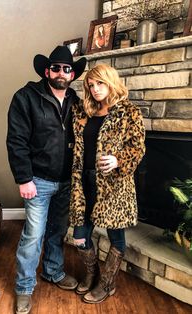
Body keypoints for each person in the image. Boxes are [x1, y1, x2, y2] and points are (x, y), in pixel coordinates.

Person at [6, 45, 86, 314]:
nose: (61, 72)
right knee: (33, 236)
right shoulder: (26, 97)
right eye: (55, 68)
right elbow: (16, 141)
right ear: (46, 71)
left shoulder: (76, 101)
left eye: (66, 69)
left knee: (57, 232)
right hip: (37, 181)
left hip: (66, 182)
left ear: (72, 74)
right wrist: (24, 178)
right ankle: (24, 288)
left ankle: (53, 272)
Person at [69, 64, 145, 304]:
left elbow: (138, 147)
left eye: (99, 83)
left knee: (116, 236)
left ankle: (107, 284)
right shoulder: (84, 112)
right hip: (85, 182)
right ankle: (94, 274)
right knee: (80, 236)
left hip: (114, 185)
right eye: (90, 85)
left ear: (110, 81)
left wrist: (118, 159)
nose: (95, 89)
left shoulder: (129, 111)